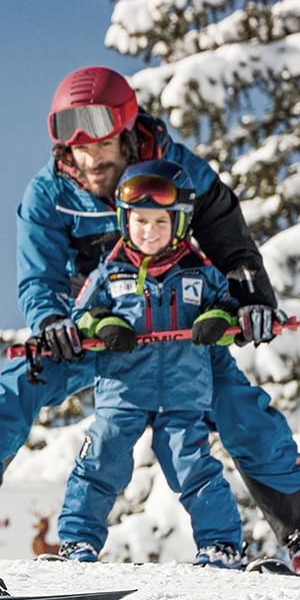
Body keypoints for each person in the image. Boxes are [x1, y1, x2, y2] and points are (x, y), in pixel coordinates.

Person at [0, 66, 300, 577]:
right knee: (12, 392)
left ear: (125, 130)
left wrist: (251, 300)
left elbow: (231, 243)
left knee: (243, 410)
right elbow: (39, 276)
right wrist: (53, 322)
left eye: (100, 142)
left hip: (182, 330)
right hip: (102, 332)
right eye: (75, 144)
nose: (89, 157)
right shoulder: (50, 193)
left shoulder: (178, 170)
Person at [55, 159, 244, 568]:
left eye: (161, 222)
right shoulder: (110, 272)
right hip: (123, 390)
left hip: (183, 392)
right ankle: (77, 543)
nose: (150, 232)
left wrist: (217, 319)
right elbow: (82, 313)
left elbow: (228, 305)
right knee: (101, 457)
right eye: (140, 221)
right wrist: (104, 324)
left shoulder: (199, 272)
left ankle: (221, 545)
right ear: (126, 221)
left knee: (193, 466)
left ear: (178, 224)